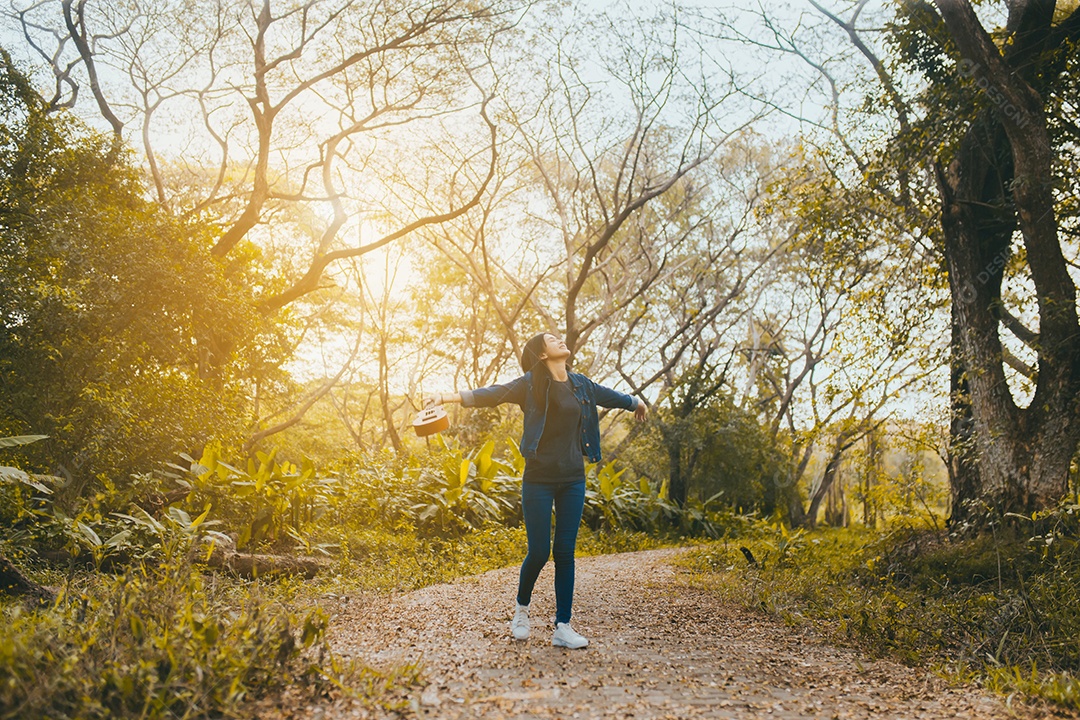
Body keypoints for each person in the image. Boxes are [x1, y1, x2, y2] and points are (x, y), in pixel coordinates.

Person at [427, 331, 647, 649]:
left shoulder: (581, 384)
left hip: (573, 479)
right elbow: (492, 393)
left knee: (565, 552)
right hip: (539, 480)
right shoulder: (529, 383)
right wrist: (446, 397)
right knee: (539, 551)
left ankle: (563, 625)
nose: (560, 340)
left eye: (559, 337)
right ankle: (521, 610)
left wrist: (636, 403)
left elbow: (612, 396)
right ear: (542, 354)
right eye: (552, 339)